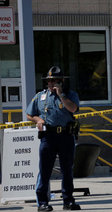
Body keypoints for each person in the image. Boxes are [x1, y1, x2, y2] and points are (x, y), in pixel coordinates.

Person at [26, 66, 81, 211]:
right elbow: (29, 114)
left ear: (62, 81)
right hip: (48, 136)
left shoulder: (70, 94)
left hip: (65, 135)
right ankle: (42, 202)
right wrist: (38, 120)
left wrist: (61, 95)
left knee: (67, 170)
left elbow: (73, 109)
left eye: (55, 81)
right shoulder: (40, 96)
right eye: (49, 81)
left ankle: (68, 201)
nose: (51, 84)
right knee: (45, 170)